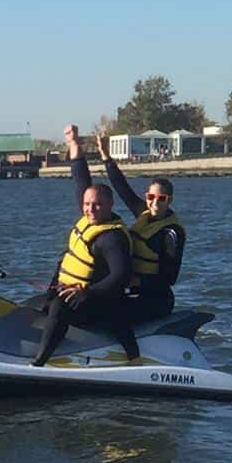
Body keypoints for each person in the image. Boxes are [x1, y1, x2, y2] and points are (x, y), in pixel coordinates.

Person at [31, 124, 141, 366]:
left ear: (110, 205)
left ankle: (38, 364)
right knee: (37, 305)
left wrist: (86, 292)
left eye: (98, 204)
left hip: (99, 301)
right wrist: (73, 144)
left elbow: (120, 277)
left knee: (59, 308)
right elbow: (81, 178)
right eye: (88, 204)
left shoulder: (111, 238)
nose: (91, 208)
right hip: (75, 292)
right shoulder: (88, 217)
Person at [96, 131, 188, 322]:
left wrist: (137, 281)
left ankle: (132, 353)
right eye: (151, 197)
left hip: (156, 300)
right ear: (147, 197)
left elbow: (170, 278)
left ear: (169, 200)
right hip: (133, 290)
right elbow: (122, 188)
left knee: (111, 316)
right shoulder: (143, 213)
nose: (155, 203)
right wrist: (106, 156)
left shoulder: (171, 233)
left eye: (161, 199)